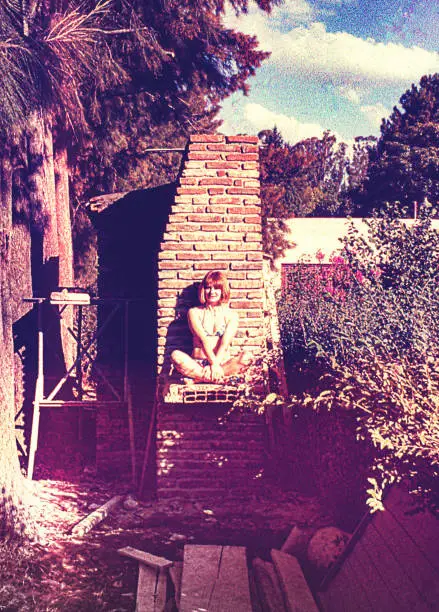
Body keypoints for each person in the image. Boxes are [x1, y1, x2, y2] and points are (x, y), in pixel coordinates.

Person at [171, 270, 250, 383]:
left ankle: (199, 378)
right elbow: (203, 340)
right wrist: (212, 365)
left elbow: (224, 344)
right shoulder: (194, 312)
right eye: (208, 287)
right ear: (203, 290)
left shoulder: (232, 315)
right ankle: (216, 378)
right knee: (176, 356)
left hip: (222, 365)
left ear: (223, 290)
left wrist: (215, 365)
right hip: (198, 364)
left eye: (216, 288)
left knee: (248, 357)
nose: (212, 292)